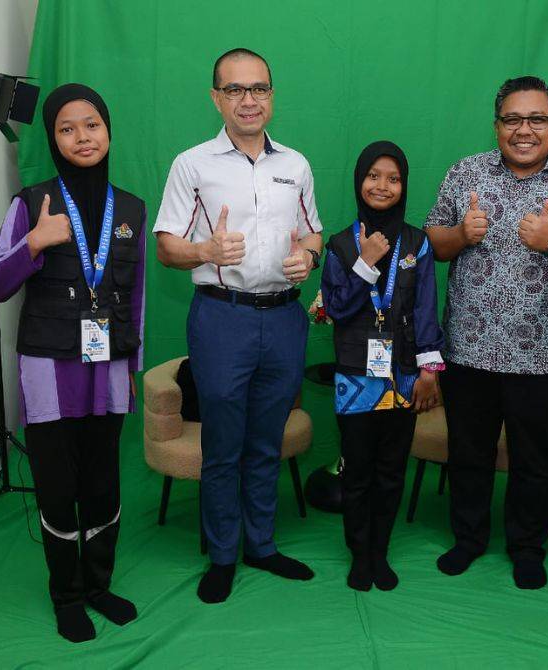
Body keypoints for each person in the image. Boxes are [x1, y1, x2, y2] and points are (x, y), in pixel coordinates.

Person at [425, 76, 548, 589]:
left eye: (536, 119)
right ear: (497, 125)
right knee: (469, 452)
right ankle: (468, 539)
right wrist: (461, 234)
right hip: (469, 347)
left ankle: (528, 547)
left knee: (534, 459)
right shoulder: (465, 173)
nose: (524, 130)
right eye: (513, 119)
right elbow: (433, 245)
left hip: (544, 353)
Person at [153, 48, 323, 604]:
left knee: (265, 440)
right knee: (223, 444)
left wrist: (309, 256)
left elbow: (312, 234)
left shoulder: (295, 165)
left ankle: (262, 546)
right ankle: (223, 554)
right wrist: (205, 248)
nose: (249, 100)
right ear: (216, 98)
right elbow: (165, 248)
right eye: (235, 90)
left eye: (259, 88)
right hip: (221, 317)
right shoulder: (192, 164)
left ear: (272, 95)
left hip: (283, 318)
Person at [0, 84, 144, 642]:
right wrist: (33, 244)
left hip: (112, 369)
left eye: (91, 124)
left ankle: (98, 585)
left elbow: (138, 295)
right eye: (67, 128)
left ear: (108, 130)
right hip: (49, 370)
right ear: (52, 138)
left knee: (103, 482)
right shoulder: (31, 203)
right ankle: (67, 596)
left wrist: (136, 365)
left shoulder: (131, 209)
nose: (82, 137)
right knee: (57, 486)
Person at [320, 141, 444, 592]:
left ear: (404, 185)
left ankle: (380, 552)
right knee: (358, 469)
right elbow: (335, 306)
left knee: (392, 470)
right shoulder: (338, 244)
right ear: (359, 181)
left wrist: (430, 367)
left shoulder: (418, 243)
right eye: (373, 176)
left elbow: (427, 305)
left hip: (405, 372)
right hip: (355, 373)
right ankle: (358, 553)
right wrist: (365, 263)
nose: (382, 186)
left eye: (393, 178)